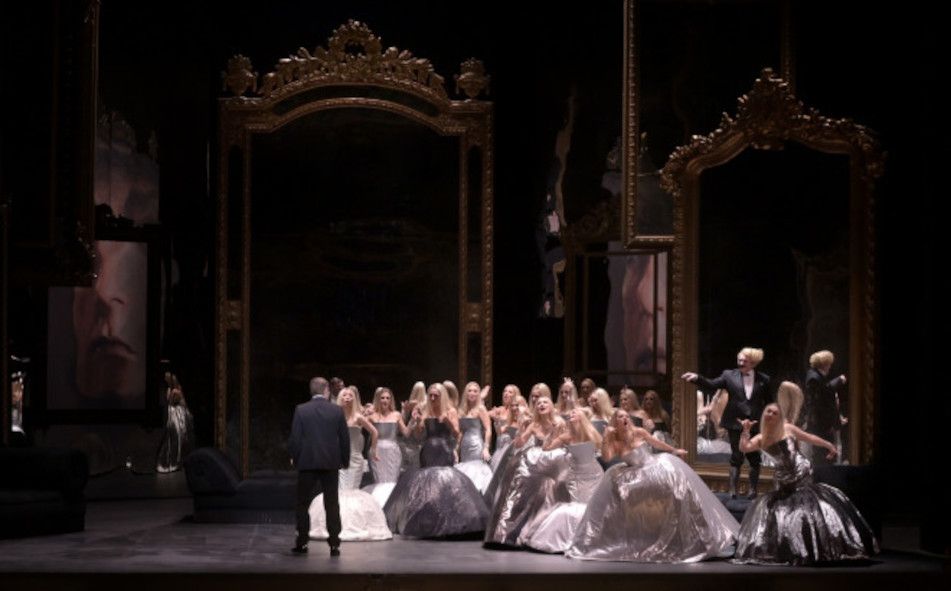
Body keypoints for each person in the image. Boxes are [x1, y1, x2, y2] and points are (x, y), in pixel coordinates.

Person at [566, 409, 739, 562]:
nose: (625, 418)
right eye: (620, 416)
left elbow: (656, 444)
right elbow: (607, 457)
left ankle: (702, 537)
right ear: (615, 422)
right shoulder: (615, 440)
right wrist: (606, 437)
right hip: (633, 474)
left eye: (627, 416)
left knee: (678, 486)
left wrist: (673, 450)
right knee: (616, 492)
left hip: (654, 466)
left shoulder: (639, 432)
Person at [733, 397, 878, 564]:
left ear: (780, 417)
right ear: (764, 414)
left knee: (811, 507)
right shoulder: (761, 437)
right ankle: (792, 549)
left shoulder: (787, 428)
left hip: (802, 473)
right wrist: (745, 431)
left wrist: (829, 445)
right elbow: (744, 448)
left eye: (775, 412)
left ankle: (821, 547)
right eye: (768, 411)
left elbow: (809, 437)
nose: (771, 414)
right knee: (784, 514)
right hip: (784, 479)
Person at [383, 383, 489, 537]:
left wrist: (447, 421)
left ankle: (446, 522)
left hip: (444, 449)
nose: (432, 398)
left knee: (444, 484)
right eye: (430, 395)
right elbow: (419, 436)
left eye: (436, 395)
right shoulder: (426, 410)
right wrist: (417, 421)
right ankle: (427, 521)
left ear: (442, 396)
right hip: (428, 450)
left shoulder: (450, 410)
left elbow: (457, 433)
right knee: (427, 486)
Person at [681, 347, 772, 498]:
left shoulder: (764, 379)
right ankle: (732, 490)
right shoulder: (729, 375)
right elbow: (711, 384)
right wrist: (697, 378)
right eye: (739, 360)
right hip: (735, 422)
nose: (741, 363)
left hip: (755, 422)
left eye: (744, 360)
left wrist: (771, 420)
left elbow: (769, 402)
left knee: (754, 457)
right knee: (736, 456)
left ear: (753, 362)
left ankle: (753, 490)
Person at [307, 386, 391, 542]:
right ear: (340, 398)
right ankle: (336, 525)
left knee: (350, 491)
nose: (347, 397)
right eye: (344, 395)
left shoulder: (358, 417)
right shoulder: (334, 416)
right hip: (338, 459)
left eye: (350, 395)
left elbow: (374, 432)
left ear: (354, 399)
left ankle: (351, 526)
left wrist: (373, 450)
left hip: (355, 459)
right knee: (338, 491)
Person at [518, 407, 605, 553]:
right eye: (570, 413)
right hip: (577, 475)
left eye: (574, 413)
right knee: (577, 506)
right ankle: (573, 538)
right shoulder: (566, 436)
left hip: (594, 474)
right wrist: (552, 433)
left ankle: (591, 539)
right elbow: (546, 449)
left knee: (592, 505)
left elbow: (601, 447)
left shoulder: (590, 432)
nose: (571, 415)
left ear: (581, 417)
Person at [288, 376, 350, 556]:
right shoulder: (337, 411)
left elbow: (295, 437)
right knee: (331, 503)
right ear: (326, 390)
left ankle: (302, 542)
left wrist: (294, 455)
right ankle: (334, 543)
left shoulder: (301, 410)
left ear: (311, 391)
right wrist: (344, 461)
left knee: (302, 503)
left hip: (307, 463)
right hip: (330, 463)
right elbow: (344, 439)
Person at [801, 350, 848, 466]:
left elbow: (825, 397)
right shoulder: (813, 378)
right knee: (822, 455)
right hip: (820, 425)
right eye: (829, 364)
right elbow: (822, 399)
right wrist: (838, 381)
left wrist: (837, 418)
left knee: (828, 454)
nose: (830, 367)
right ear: (824, 364)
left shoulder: (816, 375)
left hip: (823, 424)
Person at [455, 381, 494, 493]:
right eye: (469, 390)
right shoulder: (462, 410)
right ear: (466, 393)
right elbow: (461, 432)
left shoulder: (480, 409)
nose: (472, 393)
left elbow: (488, 429)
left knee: (476, 471)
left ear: (478, 394)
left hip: (476, 444)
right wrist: (456, 449)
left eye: (475, 391)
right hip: (465, 445)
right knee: (466, 470)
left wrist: (486, 447)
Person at [155, 372, 193, 473]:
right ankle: (170, 462)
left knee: (177, 438)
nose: (165, 380)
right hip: (173, 413)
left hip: (178, 414)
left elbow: (172, 401)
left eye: (167, 379)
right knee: (171, 439)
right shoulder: (170, 390)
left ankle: (175, 462)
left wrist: (171, 397)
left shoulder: (176, 390)